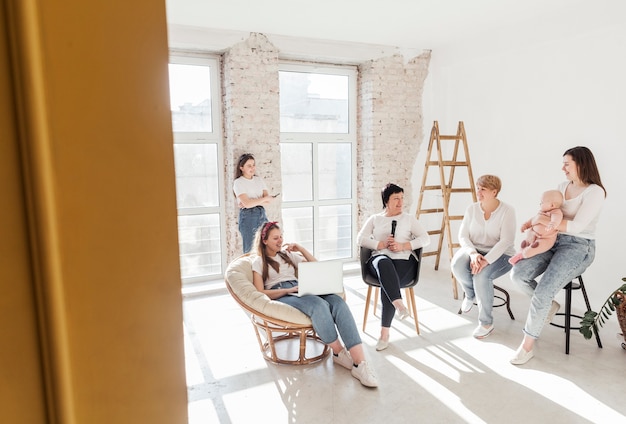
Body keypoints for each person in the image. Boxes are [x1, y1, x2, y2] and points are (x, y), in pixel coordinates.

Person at [251, 221, 378, 388]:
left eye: (281, 236)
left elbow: (316, 266)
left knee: (338, 303)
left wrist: (301, 249)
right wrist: (288, 291)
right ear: (264, 240)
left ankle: (360, 364)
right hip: (282, 293)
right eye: (275, 238)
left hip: (300, 287)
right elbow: (260, 292)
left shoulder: (287, 255)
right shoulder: (258, 262)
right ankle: (339, 352)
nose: (280, 241)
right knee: (318, 306)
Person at [510, 146, 606, 365]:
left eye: (567, 164)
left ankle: (526, 347)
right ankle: (550, 306)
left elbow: (578, 226)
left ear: (581, 164)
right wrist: (533, 230)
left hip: (579, 247)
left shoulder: (595, 191)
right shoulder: (562, 187)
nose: (562, 168)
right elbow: (544, 213)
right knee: (518, 273)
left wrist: (543, 222)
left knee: (543, 290)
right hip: (552, 240)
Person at [357, 183, 430, 351]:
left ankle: (384, 334)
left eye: (402, 198)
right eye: (396, 198)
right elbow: (360, 239)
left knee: (388, 282)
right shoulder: (375, 219)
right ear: (386, 201)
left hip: (403, 262)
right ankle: (399, 306)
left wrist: (403, 246)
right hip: (380, 259)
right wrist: (380, 244)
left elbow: (425, 239)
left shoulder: (409, 219)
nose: (400, 202)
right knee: (384, 265)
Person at [451, 175, 516, 339]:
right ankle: (471, 294)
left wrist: (486, 260)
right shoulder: (472, 209)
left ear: (494, 192)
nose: (478, 192)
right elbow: (463, 236)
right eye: (478, 188)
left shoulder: (507, 211)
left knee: (481, 275)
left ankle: (486, 323)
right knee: (457, 264)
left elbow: (506, 240)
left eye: (483, 189)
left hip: (501, 254)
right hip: (476, 250)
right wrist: (473, 254)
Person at [233, 153, 275, 253]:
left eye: (253, 165)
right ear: (241, 168)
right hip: (248, 216)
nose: (252, 168)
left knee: (265, 248)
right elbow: (247, 204)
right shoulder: (238, 182)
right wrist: (259, 200)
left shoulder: (258, 180)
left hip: (261, 213)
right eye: (249, 165)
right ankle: (250, 269)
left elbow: (268, 200)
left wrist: (252, 202)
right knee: (250, 250)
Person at [508, 190, 564, 265]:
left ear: (552, 205)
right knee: (526, 242)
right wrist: (526, 225)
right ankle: (521, 251)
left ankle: (522, 255)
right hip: (534, 234)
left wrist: (553, 224)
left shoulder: (556, 212)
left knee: (536, 247)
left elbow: (557, 219)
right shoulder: (541, 212)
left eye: (542, 202)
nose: (540, 203)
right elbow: (533, 219)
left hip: (545, 239)